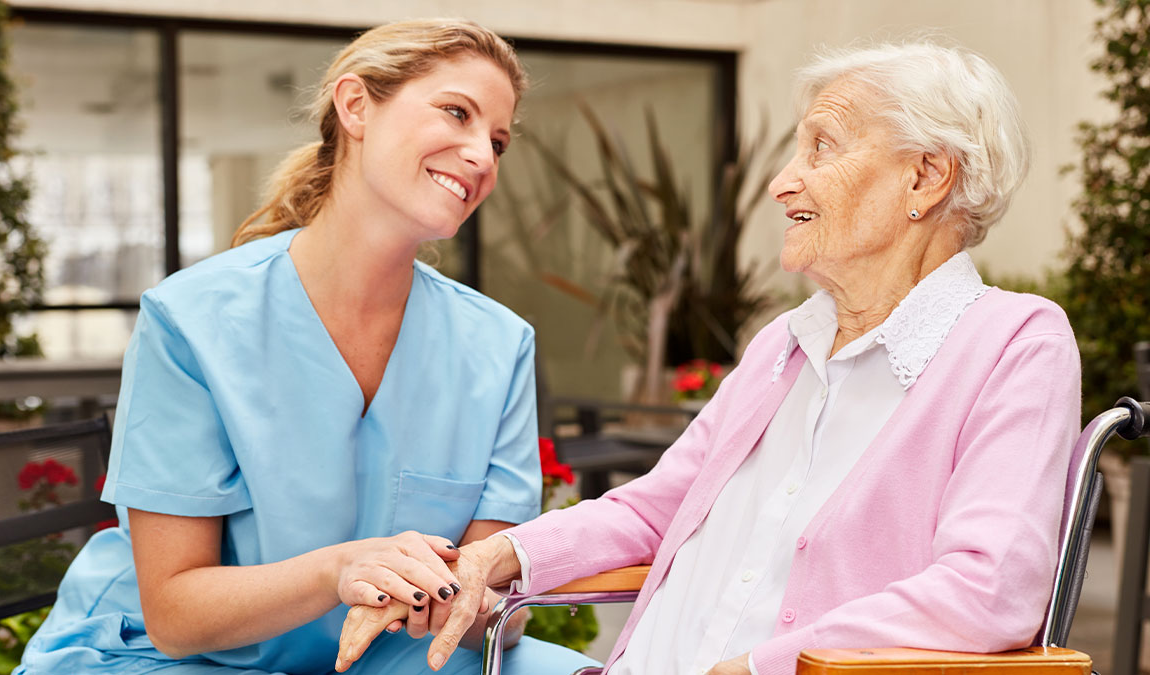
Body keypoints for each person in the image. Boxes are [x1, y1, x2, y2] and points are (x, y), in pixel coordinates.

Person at [335, 41, 1083, 675]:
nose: (782, 181)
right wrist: (491, 557)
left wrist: (758, 667)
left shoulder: (1014, 343)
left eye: (821, 146)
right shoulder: (786, 342)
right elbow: (654, 508)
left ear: (926, 175)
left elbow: (988, 590)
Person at [15, 18, 598, 675]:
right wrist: (339, 569)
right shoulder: (192, 320)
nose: (483, 158)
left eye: (497, 141)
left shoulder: (499, 344)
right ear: (356, 106)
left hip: (384, 653)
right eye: (456, 113)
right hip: (178, 657)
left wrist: (475, 602)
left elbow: (497, 608)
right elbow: (176, 616)